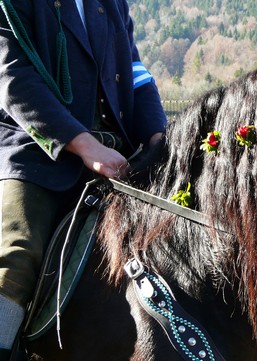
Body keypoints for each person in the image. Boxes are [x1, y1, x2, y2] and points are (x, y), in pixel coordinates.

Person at [0, 1, 166, 358]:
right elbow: (12, 76)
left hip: (117, 152)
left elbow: (135, 71)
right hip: (36, 154)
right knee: (16, 252)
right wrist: (83, 144)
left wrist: (158, 138)